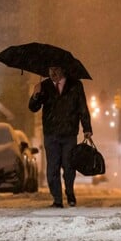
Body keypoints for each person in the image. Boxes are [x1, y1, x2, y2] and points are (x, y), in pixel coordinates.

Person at [28, 66, 93, 208]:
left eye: (56, 69)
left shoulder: (75, 85)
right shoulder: (44, 86)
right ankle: (57, 199)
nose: (52, 73)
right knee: (52, 168)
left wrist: (87, 128)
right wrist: (35, 95)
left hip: (69, 133)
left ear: (63, 70)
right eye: (50, 70)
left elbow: (82, 107)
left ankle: (69, 191)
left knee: (69, 166)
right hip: (51, 134)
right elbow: (33, 108)